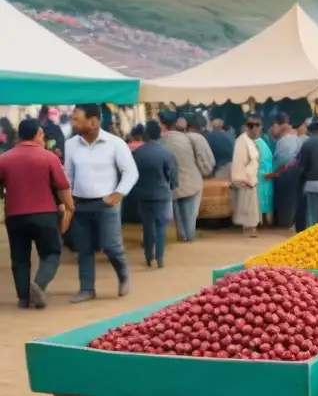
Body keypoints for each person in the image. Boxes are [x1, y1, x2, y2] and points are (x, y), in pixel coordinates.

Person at [64, 103, 139, 302]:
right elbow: (68, 174)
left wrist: (118, 194)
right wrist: (67, 199)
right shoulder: (71, 145)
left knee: (111, 246)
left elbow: (130, 172)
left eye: (77, 119)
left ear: (94, 121)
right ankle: (87, 289)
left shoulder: (115, 143)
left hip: (107, 204)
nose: (73, 123)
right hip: (80, 204)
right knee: (84, 249)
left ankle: (123, 275)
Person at [0, 118, 74, 308]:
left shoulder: (4, 159)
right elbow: (63, 187)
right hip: (44, 215)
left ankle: (23, 298)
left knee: (20, 257)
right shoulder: (49, 158)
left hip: (15, 216)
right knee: (51, 252)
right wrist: (70, 207)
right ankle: (39, 285)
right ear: (38, 134)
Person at [161, 113, 214, 242]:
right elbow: (206, 161)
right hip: (191, 182)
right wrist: (206, 172)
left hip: (172, 184)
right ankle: (190, 237)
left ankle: (182, 235)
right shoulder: (193, 138)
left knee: (178, 214)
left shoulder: (163, 140)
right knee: (190, 215)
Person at [132, 120, 178, 268]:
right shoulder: (166, 152)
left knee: (147, 226)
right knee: (160, 226)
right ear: (160, 134)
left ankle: (148, 255)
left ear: (145, 135)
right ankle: (159, 257)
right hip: (161, 193)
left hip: (143, 194)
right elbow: (173, 174)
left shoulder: (138, 153)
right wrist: (172, 185)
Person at [269, 113, 303, 229]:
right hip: (292, 174)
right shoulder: (294, 138)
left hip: (286, 175)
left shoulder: (286, 140)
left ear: (279, 125)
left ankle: (285, 224)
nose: (272, 130)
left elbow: (282, 160)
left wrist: (271, 171)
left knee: (286, 201)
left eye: (273, 126)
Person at [231, 117, 262, 237]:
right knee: (247, 205)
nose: (257, 133)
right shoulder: (242, 141)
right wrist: (243, 179)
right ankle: (248, 228)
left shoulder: (250, 141)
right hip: (246, 178)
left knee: (251, 204)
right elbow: (239, 161)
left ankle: (251, 226)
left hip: (252, 178)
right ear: (249, 129)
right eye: (256, 130)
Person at [255, 130, 274, 225]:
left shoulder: (255, 143)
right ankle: (268, 221)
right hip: (267, 174)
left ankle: (259, 222)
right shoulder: (263, 143)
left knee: (258, 200)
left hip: (260, 175)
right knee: (266, 199)